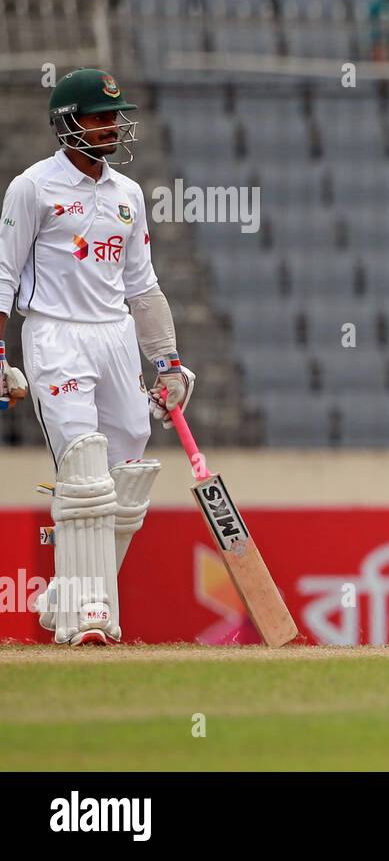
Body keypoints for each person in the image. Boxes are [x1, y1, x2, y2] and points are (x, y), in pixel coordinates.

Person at [0, 68, 195, 645]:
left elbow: (143, 287)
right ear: (67, 125)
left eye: (116, 116)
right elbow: (3, 277)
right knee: (84, 465)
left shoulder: (128, 195)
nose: (112, 126)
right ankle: (90, 614)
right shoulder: (32, 187)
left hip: (114, 337)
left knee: (127, 469)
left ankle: (69, 592)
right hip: (56, 335)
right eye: (99, 116)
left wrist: (166, 361)